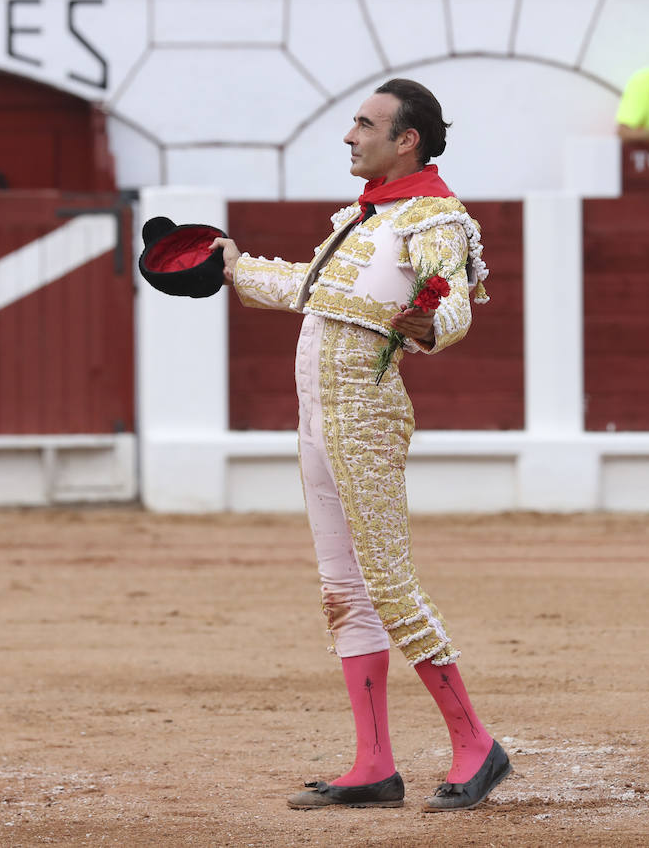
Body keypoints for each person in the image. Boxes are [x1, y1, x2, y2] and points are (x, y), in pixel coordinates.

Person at [209, 79, 507, 813]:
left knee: (390, 586)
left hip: (366, 419)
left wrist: (430, 320)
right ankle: (373, 764)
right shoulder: (363, 219)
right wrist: (233, 266)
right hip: (317, 417)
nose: (350, 134)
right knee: (343, 592)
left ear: (406, 139)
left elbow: (449, 298)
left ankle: (476, 746)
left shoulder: (435, 216)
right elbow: (308, 291)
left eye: (366, 124)